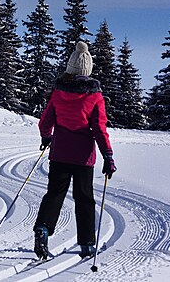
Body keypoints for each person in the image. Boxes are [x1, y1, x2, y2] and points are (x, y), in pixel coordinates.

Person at [33, 41, 117, 259]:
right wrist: (108, 156)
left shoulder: (58, 92)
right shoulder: (94, 96)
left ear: (70, 67)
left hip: (60, 153)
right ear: (87, 70)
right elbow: (99, 128)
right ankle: (87, 245)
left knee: (55, 194)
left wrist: (46, 137)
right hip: (83, 158)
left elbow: (45, 121)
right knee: (84, 199)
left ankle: (42, 228)